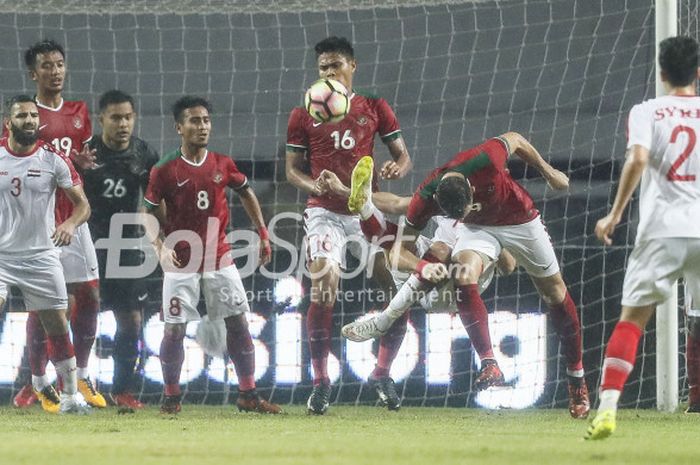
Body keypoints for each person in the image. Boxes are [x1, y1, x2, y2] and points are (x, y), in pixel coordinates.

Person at [342, 132, 590, 419]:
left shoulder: (485, 158)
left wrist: (549, 173)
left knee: (554, 293)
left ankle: (577, 379)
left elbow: (516, 139)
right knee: (449, 263)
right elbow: (399, 247)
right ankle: (489, 363)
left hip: (520, 219)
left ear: (471, 189)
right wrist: (422, 266)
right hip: (468, 242)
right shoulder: (427, 199)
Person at [286, 36, 413, 414]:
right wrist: (315, 184)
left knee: (398, 290)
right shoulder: (302, 113)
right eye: (323, 67)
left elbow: (403, 156)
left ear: (352, 66)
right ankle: (321, 382)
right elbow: (292, 171)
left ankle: (382, 372)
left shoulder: (373, 106)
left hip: (365, 210)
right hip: (324, 211)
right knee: (323, 284)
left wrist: (397, 167)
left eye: (336, 64)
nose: (329, 72)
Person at [586, 36, 700, 439]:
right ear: (698, 72)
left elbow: (637, 158)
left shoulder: (647, 111)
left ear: (662, 72)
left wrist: (614, 215)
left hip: (662, 230)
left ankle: (607, 409)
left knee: (632, 321)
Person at [143, 95, 281, 415]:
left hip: (219, 256)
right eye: (194, 121)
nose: (202, 126)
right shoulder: (164, 169)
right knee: (175, 329)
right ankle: (171, 398)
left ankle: (248, 393)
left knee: (239, 324)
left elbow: (245, 191)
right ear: (179, 127)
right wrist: (159, 247)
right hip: (182, 258)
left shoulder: (222, 163)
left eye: (205, 120)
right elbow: (147, 213)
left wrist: (262, 232)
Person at [12, 39, 106, 411]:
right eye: (46, 66)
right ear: (34, 74)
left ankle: (80, 374)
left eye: (59, 64)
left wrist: (78, 161)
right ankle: (37, 381)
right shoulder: (25, 115)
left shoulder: (79, 112)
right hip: (37, 224)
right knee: (44, 305)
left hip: (73, 216)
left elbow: (67, 166)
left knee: (91, 296)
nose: (55, 71)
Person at [0, 94, 91, 414]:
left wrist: (69, 223)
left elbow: (83, 205)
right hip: (1, 257)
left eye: (33, 116)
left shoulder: (53, 158)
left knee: (57, 325)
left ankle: (69, 397)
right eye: (21, 116)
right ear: (8, 123)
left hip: (41, 255)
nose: (29, 120)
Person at [81, 89, 160, 409]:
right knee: (81, 316)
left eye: (128, 117)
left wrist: (160, 237)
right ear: (101, 120)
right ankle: (70, 383)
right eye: (115, 117)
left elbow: (156, 200)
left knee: (131, 321)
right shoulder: (86, 152)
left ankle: (122, 389)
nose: (123, 123)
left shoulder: (144, 153)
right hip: (87, 242)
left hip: (126, 245)